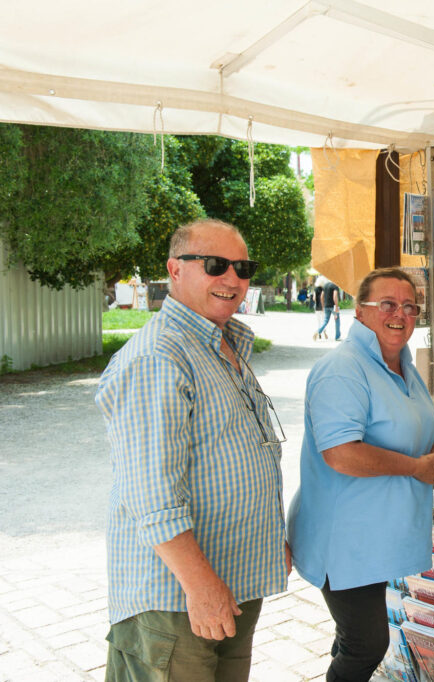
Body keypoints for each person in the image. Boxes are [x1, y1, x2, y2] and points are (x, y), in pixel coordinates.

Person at [95, 219, 290, 681]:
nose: (232, 279)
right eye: (215, 264)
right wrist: (201, 586)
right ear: (174, 270)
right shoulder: (158, 357)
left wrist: (268, 536)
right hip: (177, 597)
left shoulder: (223, 342)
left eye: (242, 267)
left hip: (232, 582)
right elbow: (152, 494)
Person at [287, 267, 434, 682]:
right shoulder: (343, 367)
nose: (400, 314)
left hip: (374, 537)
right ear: (359, 312)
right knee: (367, 643)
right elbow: (342, 454)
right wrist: (415, 467)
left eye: (410, 306)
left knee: (353, 637)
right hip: (344, 539)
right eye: (387, 304)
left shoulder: (400, 364)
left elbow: (420, 426)